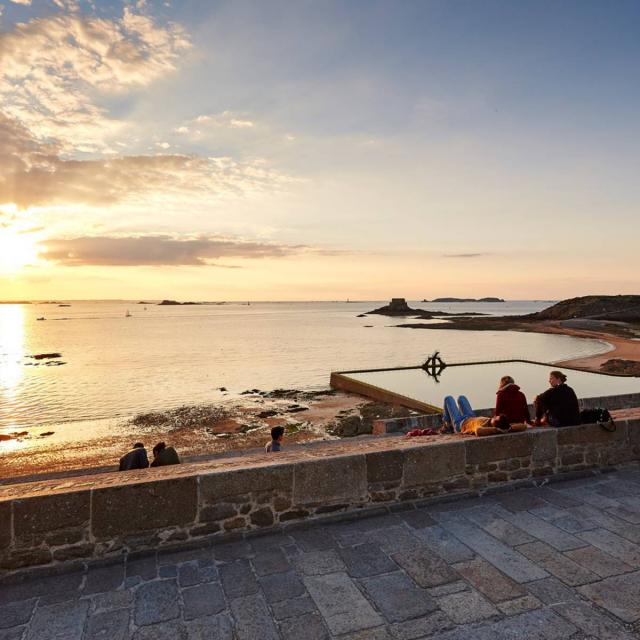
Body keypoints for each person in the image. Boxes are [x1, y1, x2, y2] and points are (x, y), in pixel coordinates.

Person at [442, 395, 527, 437]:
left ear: (495, 424)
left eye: (495, 418)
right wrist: (510, 428)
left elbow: (478, 431)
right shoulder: (505, 426)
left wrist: (496, 430)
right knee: (461, 398)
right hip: (471, 417)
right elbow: (523, 426)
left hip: (460, 424)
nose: (494, 416)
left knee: (448, 398)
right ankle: (448, 425)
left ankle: (448, 425)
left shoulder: (485, 428)